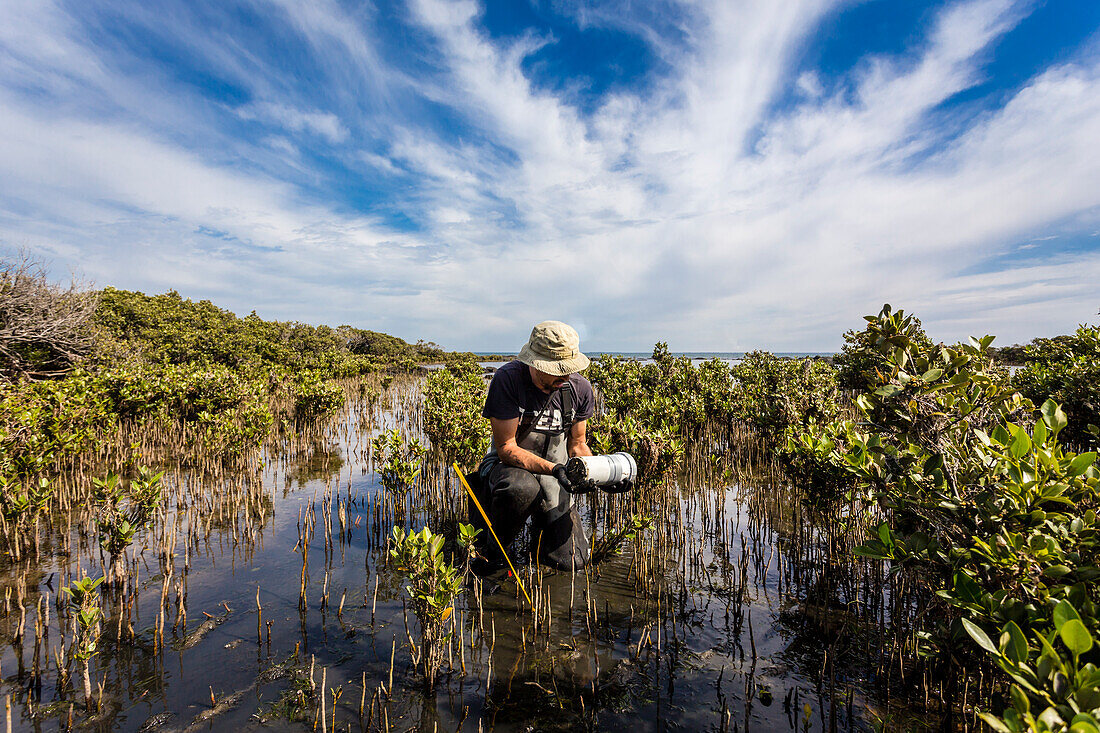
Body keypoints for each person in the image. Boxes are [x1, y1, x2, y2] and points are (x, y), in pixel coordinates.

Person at [473, 320, 599, 572]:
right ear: (535, 363)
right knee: (522, 488)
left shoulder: (580, 388)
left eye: (568, 369)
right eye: (556, 369)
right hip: (507, 469)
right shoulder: (508, 379)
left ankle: (540, 536)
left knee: (571, 562)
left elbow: (578, 444)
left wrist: (597, 471)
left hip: (555, 478)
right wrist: (554, 469)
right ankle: (493, 550)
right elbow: (506, 448)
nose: (565, 376)